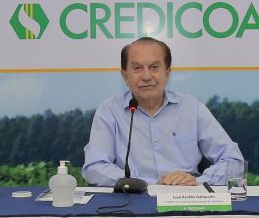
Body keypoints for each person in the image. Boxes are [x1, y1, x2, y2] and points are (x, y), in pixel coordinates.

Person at [83, 36, 244, 186]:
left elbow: (234, 162)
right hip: (133, 199)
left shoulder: (191, 108)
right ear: (125, 76)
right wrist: (142, 183)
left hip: (186, 198)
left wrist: (197, 182)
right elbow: (94, 168)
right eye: (137, 68)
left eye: (154, 67)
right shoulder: (109, 111)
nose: (146, 76)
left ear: (167, 73)